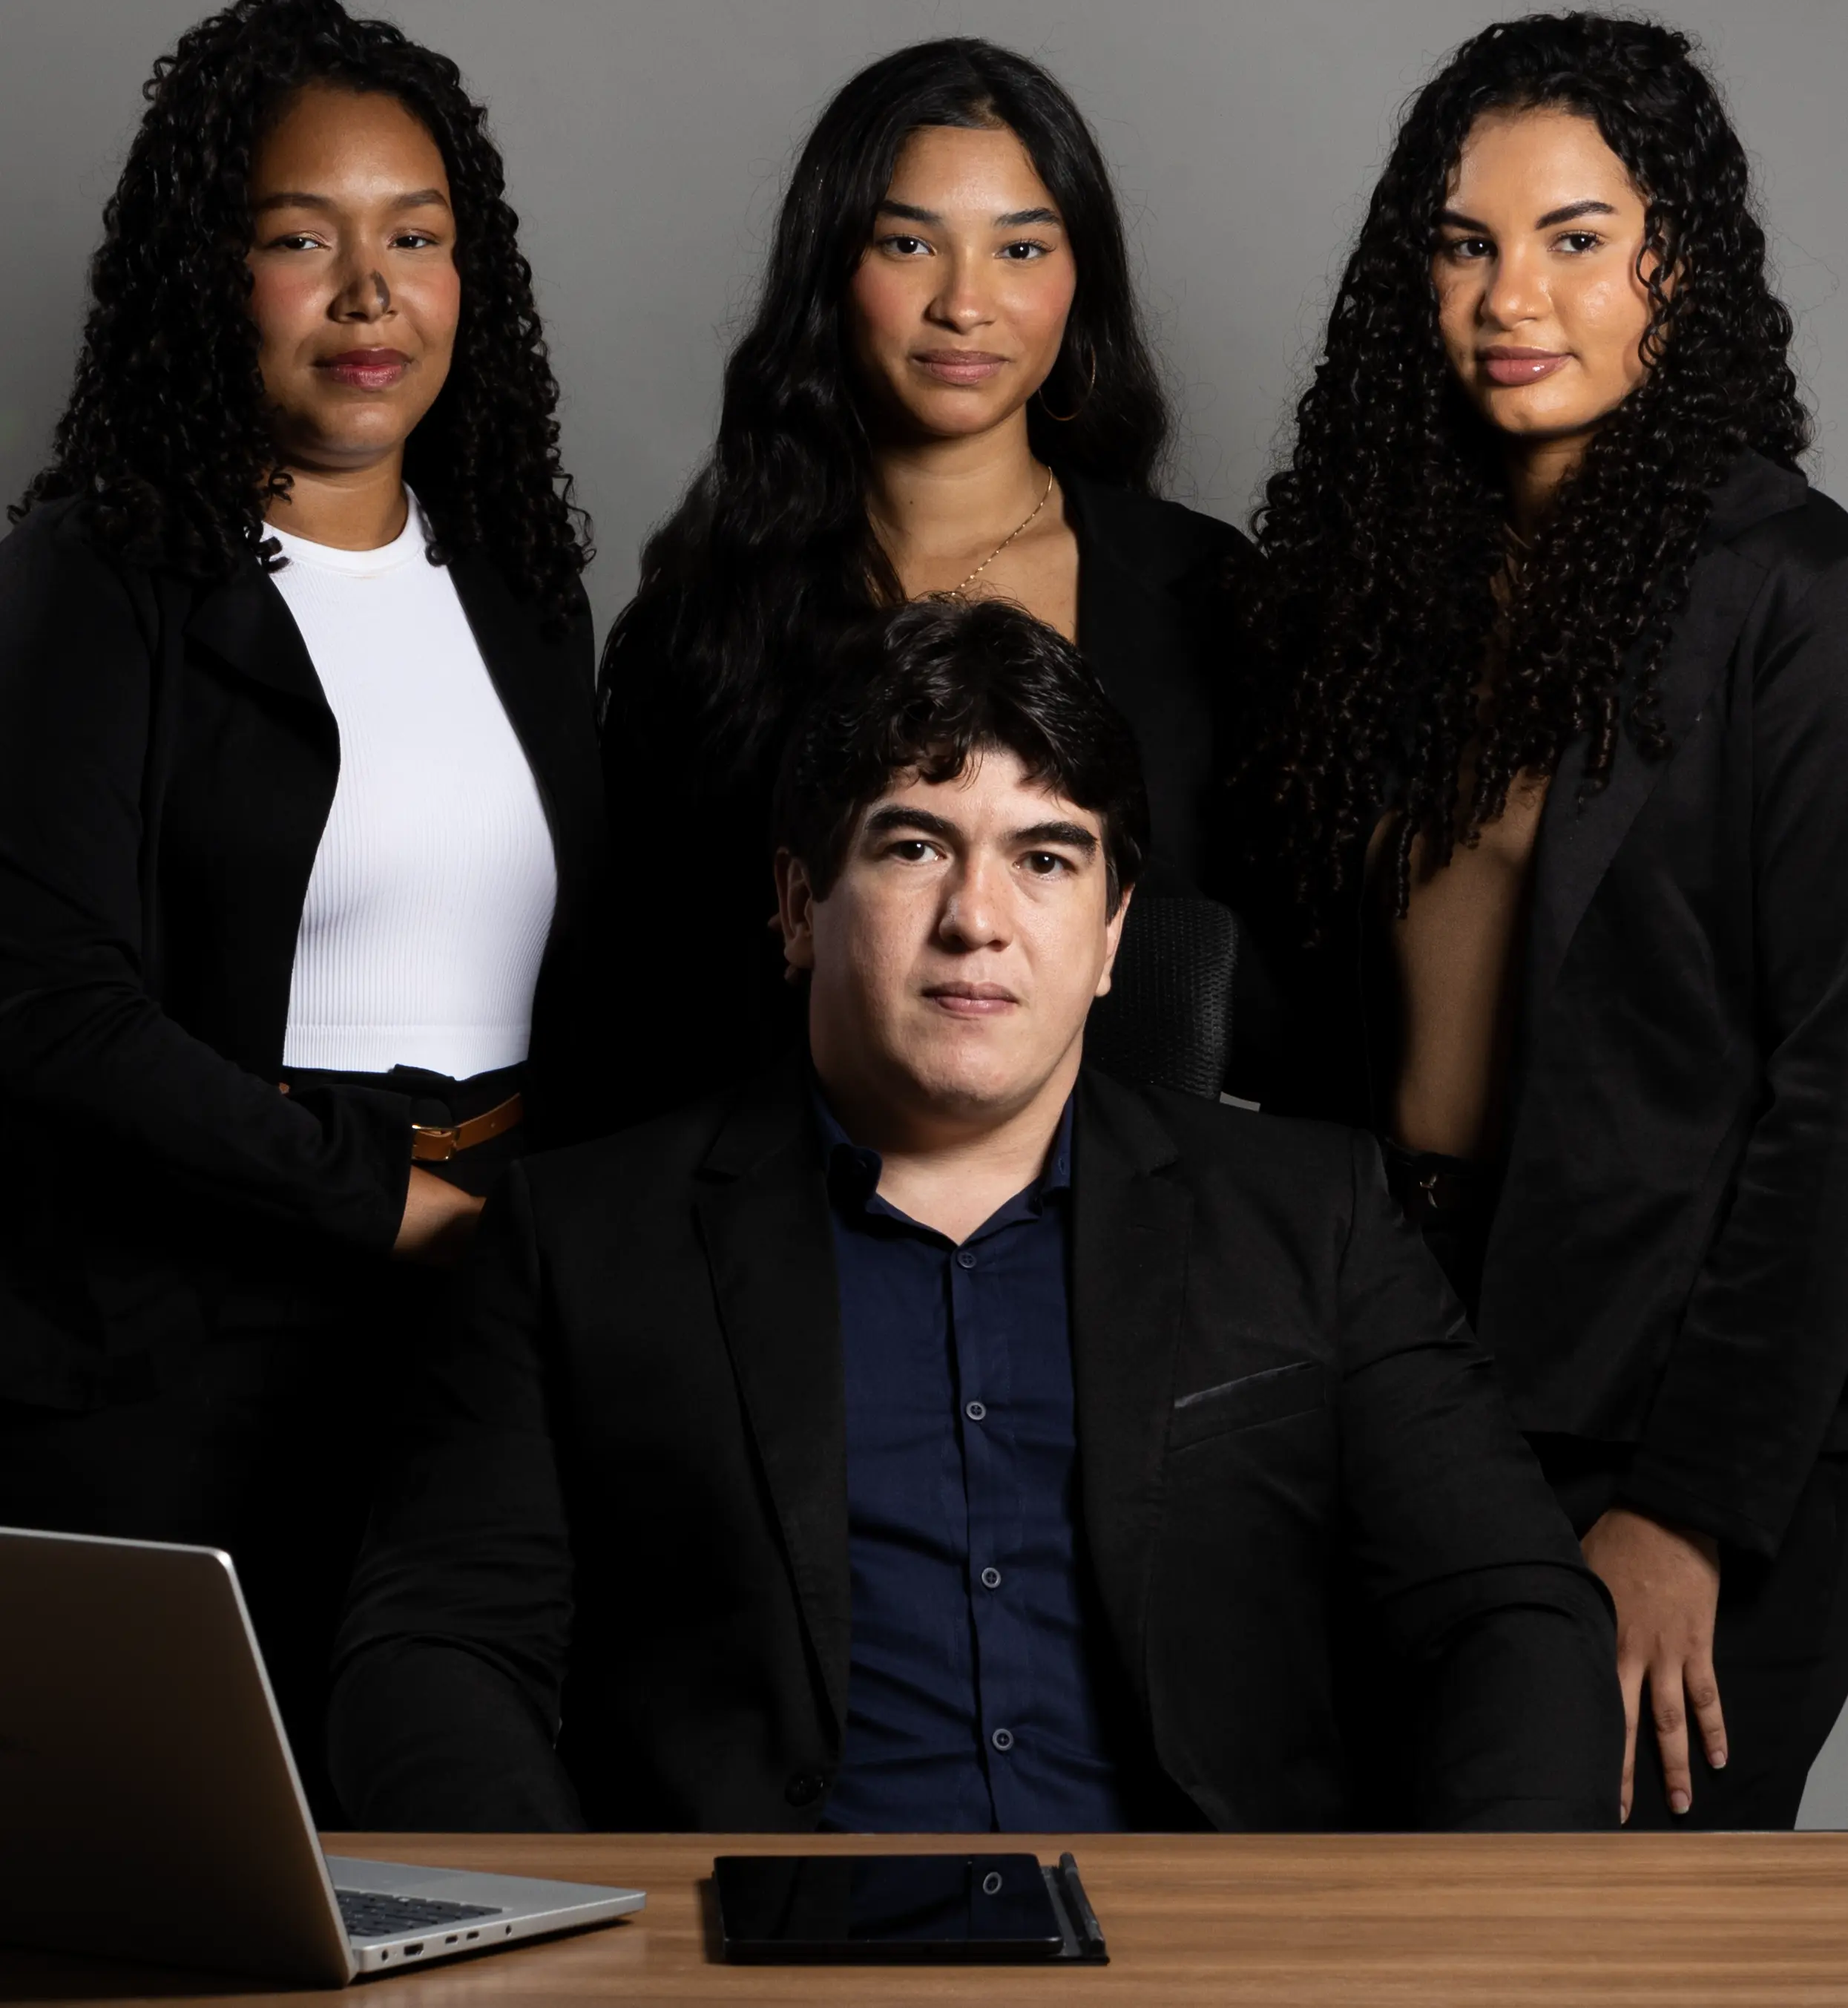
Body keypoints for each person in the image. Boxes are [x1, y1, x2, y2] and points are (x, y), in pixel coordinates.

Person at [328, 597, 1620, 1834]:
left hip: (1208, 1940)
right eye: (913, 847)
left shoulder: (1311, 1216)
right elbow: (433, 1651)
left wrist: (1473, 1939)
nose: (977, 922)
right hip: (755, 1944)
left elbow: (1511, 1612)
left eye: (1044, 859)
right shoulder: (580, 1238)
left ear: (1112, 933)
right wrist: (572, 1945)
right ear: (798, 906)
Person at [1229, 10, 1848, 1829]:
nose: (1514, 296)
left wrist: (1687, 1512)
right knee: (1371, 1899)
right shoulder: (1387, 588)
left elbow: (1840, 1095)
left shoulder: (1797, 597)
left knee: (1610, 1918)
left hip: (1683, 1404)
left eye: (1577, 239)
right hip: (1404, 1357)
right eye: (1464, 244)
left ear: (1680, 263)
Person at [0, 0, 604, 1816]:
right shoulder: (89, 581)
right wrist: (383, 1202)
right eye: (299, 237)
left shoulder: (520, 592)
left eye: (415, 236)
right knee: (203, 1867)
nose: (368, 294)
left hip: (488, 1309)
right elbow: (47, 1005)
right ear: (213, 273)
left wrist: (533, 1245)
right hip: (187, 1340)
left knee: (469, 1832)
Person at [600, 37, 1243, 1124]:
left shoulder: (1205, 593)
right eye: (908, 243)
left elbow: (1271, 990)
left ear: (1081, 279)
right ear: (833, 272)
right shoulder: (708, 617)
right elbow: (640, 1006)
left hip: (1140, 1205)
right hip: (774, 1199)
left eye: (1021, 249)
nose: (965, 303)